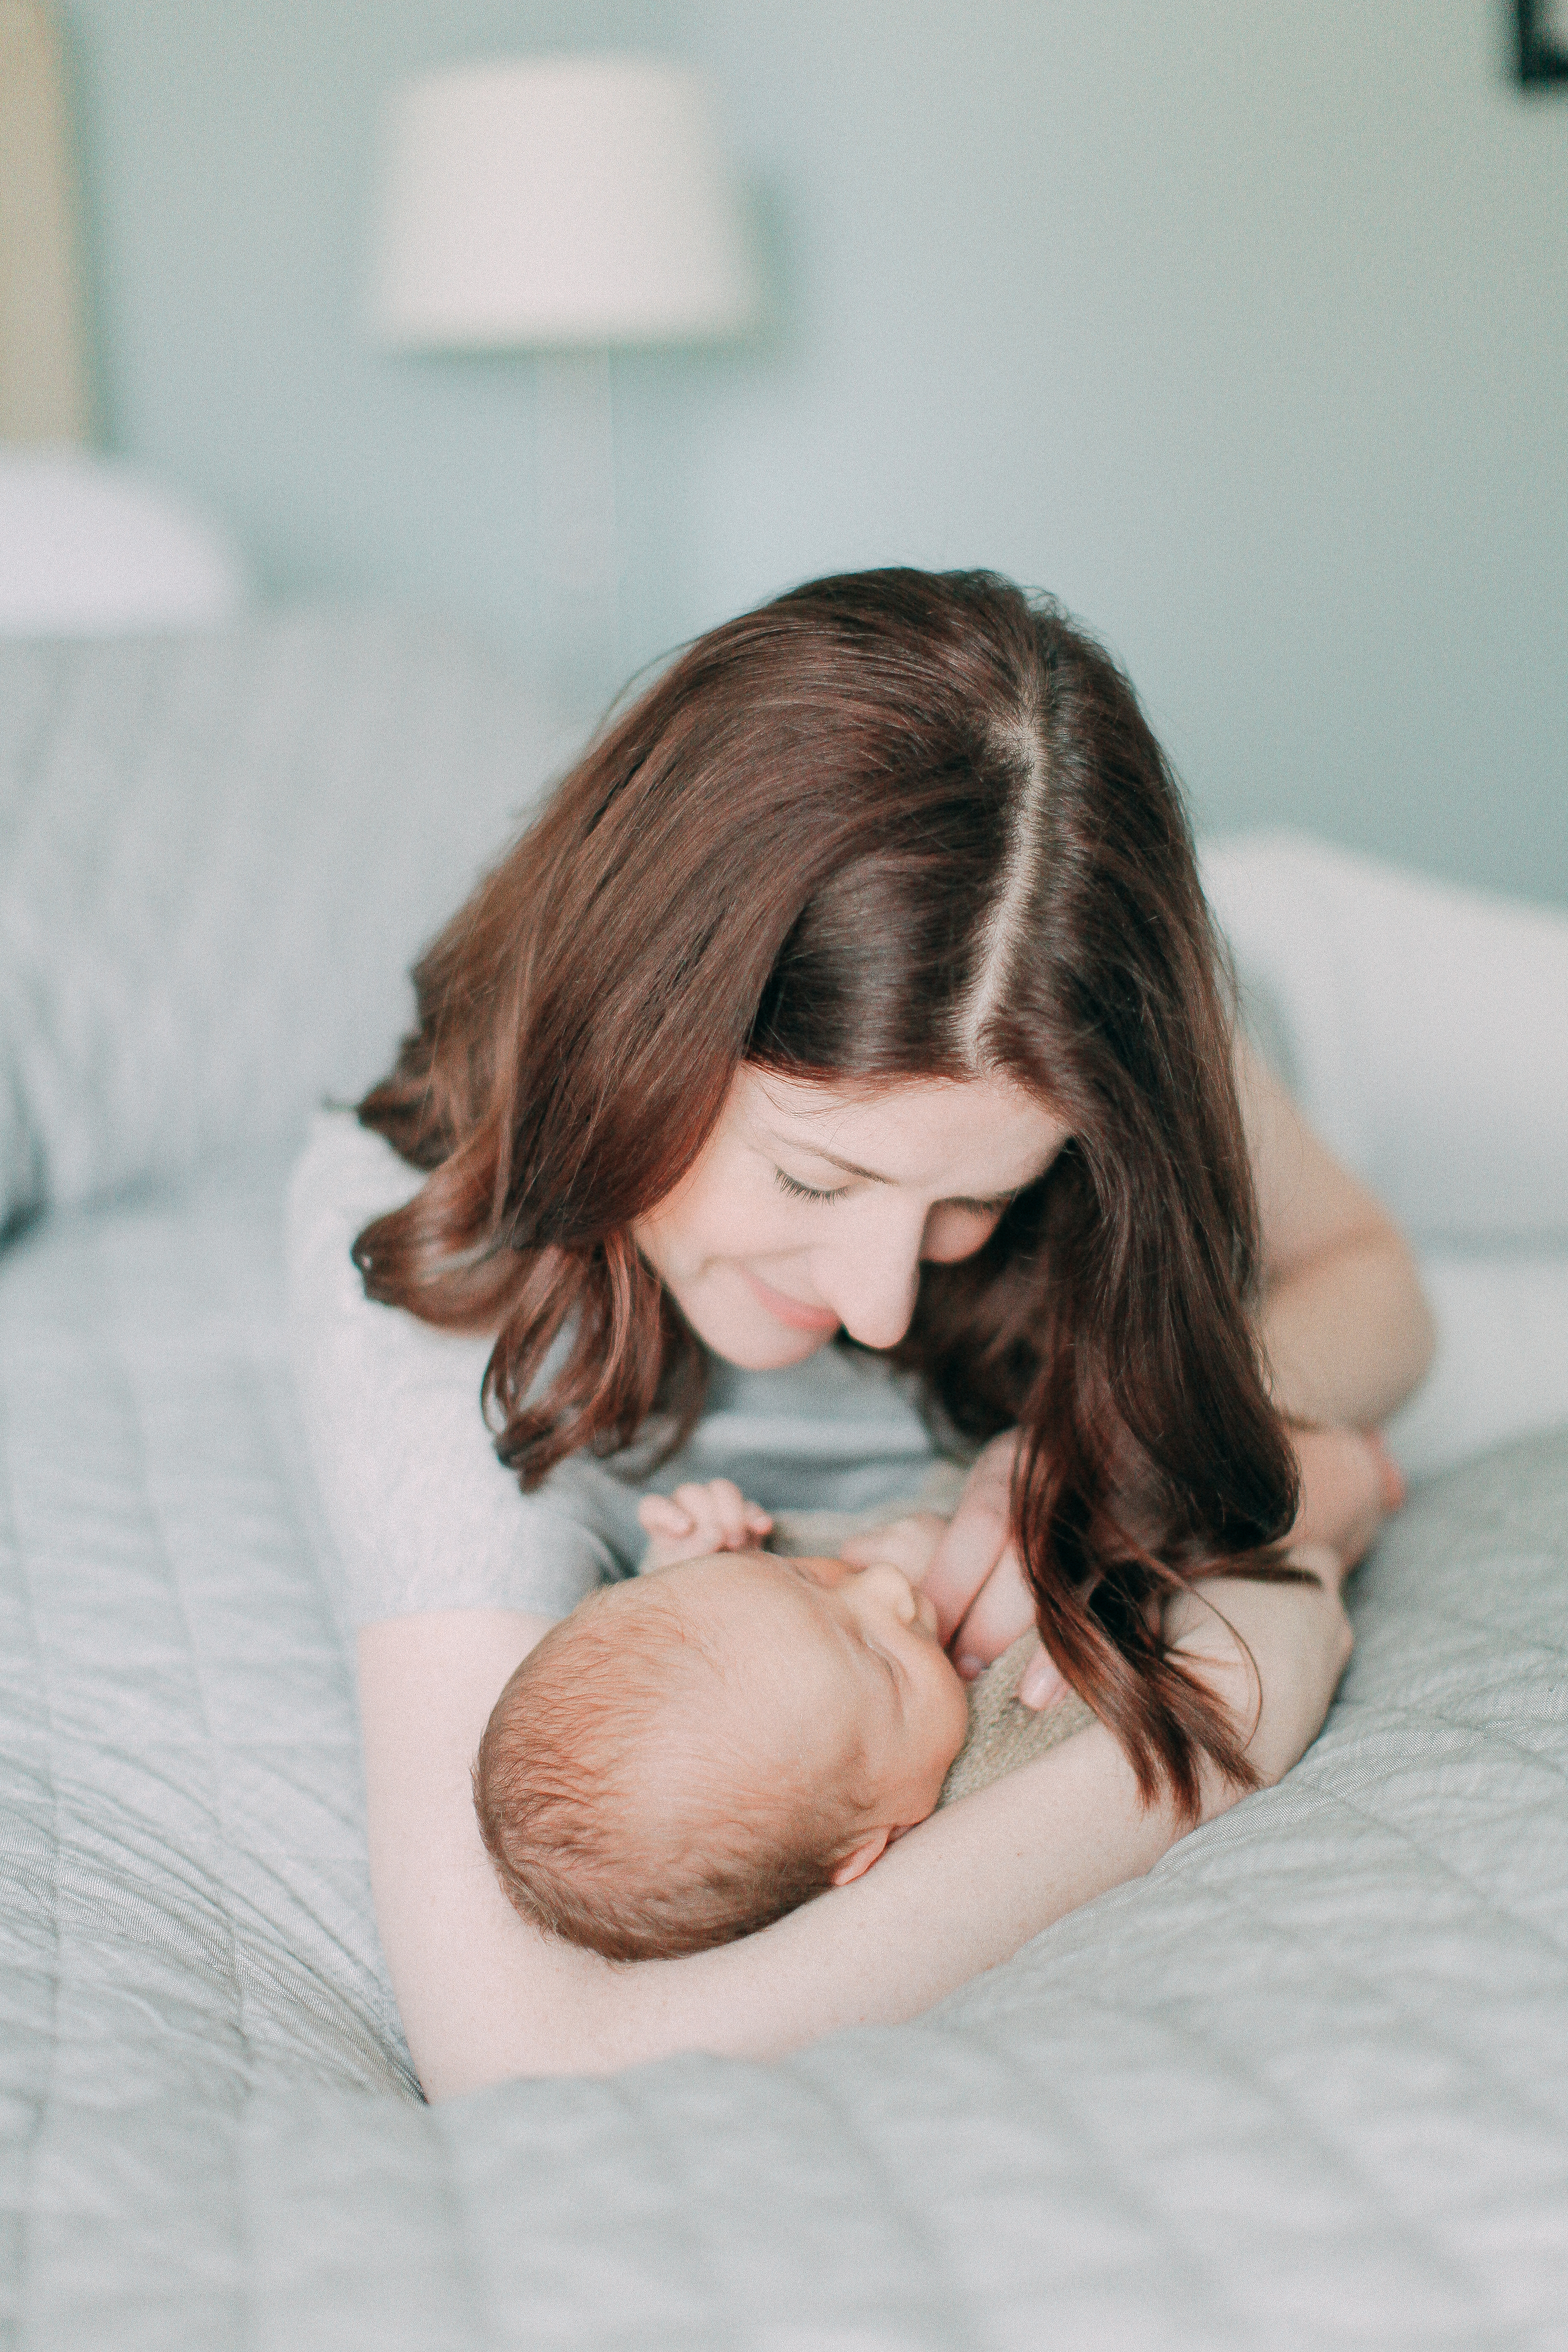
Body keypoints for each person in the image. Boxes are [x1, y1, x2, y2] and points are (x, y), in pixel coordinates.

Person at [286, 568, 1432, 2099]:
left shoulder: (1067, 1008)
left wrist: (1086, 1446)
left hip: (1328, 993)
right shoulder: (428, 1268)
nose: (885, 1300)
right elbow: (523, 2050)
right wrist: (1219, 1719)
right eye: (816, 1177)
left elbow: (1369, 1278)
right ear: (639, 1022)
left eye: (979, 1202)